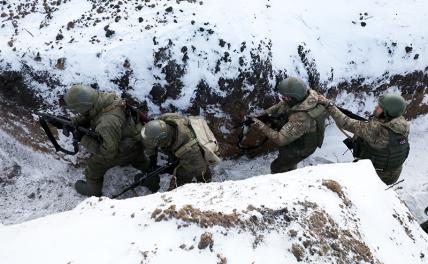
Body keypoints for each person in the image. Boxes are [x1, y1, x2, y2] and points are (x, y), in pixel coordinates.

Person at [64, 84, 149, 196]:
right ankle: (147, 167)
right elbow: (93, 114)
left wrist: (81, 138)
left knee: (93, 168)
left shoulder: (107, 123)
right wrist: (72, 122)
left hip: (122, 150)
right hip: (135, 141)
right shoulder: (108, 99)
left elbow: (108, 152)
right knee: (140, 160)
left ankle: (93, 191)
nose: (76, 111)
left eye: (76, 108)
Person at [318, 93, 410, 185]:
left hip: (375, 177)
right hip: (393, 175)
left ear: (386, 113)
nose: (376, 107)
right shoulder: (403, 125)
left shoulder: (376, 131)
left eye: (380, 107)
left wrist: (328, 104)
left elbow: (345, 122)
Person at [251, 76, 328, 173]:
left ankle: (286, 183)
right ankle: (291, 169)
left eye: (284, 97)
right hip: (300, 137)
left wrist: (259, 124)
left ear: (294, 97)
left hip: (302, 148)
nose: (282, 99)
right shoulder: (306, 94)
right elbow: (282, 104)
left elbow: (280, 139)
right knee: (288, 161)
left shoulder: (302, 117)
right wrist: (264, 113)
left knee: (277, 166)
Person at [140, 113, 211, 191]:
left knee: (179, 179)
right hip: (183, 144)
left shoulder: (189, 153)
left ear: (163, 141)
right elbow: (153, 132)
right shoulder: (167, 119)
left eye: (157, 143)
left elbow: (203, 174)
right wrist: (152, 157)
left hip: (193, 157)